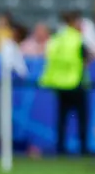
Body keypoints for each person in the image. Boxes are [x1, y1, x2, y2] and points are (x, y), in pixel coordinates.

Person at [38, 11, 89, 156]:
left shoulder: (56, 38)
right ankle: (83, 148)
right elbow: (84, 58)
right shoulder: (76, 38)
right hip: (75, 82)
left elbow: (49, 57)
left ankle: (60, 148)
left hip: (59, 84)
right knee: (81, 117)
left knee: (62, 118)